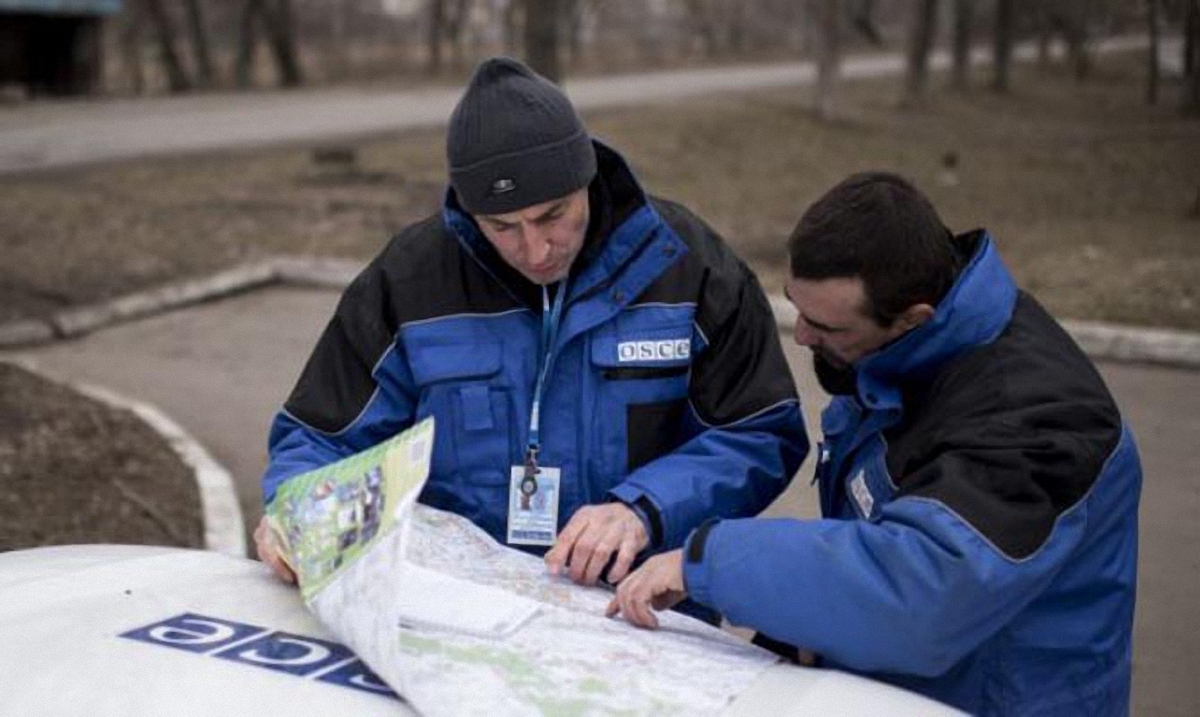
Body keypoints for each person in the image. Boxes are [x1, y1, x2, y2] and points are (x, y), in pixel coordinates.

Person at [255, 57, 808, 601]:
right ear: (469, 214)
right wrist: (296, 512)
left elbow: (760, 432)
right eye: (502, 226)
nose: (535, 249)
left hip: (637, 614)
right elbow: (320, 436)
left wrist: (644, 509)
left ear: (585, 178)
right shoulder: (408, 281)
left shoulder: (689, 269)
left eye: (552, 216)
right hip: (461, 609)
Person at [608, 172, 1142, 716]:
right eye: (796, 306)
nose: (803, 338)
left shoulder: (1040, 421)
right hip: (903, 690)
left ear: (913, 318)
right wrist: (801, 622)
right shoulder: (901, 355)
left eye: (827, 327)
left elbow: (923, 594)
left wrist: (710, 562)